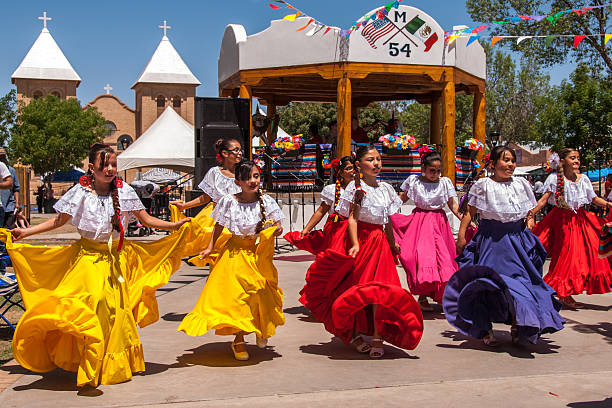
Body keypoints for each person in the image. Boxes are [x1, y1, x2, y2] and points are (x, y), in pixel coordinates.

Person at [4, 143, 191, 388]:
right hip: (86, 260)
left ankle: (105, 363)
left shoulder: (124, 192)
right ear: (92, 168)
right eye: (105, 165)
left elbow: (146, 219)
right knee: (87, 304)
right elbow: (59, 221)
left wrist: (173, 226)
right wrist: (27, 232)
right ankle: (85, 357)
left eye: (114, 164)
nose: (111, 169)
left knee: (113, 311)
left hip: (113, 261)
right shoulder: (80, 192)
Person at [302, 145, 423, 358]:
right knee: (358, 289)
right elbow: (352, 219)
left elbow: (386, 221)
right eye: (370, 159)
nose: (376, 163)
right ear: (359, 165)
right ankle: (353, 333)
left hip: (380, 244)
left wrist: (392, 242)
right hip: (364, 241)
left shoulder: (385, 188)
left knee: (382, 291)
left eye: (378, 159)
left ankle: (378, 336)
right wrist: (355, 243)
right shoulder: (357, 189)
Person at [443, 146, 564, 346]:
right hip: (491, 241)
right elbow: (470, 213)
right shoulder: (483, 185)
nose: (510, 165)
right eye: (505, 160)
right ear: (493, 164)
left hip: (517, 242)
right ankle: (485, 328)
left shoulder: (522, 184)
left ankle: (518, 323)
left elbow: (529, 211)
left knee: (521, 284)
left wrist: (529, 223)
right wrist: (461, 237)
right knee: (486, 285)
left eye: (512, 161)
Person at [178, 161, 285, 361]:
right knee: (236, 299)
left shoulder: (267, 201)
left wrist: (276, 229)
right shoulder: (228, 201)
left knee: (260, 294)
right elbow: (218, 225)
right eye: (247, 178)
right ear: (238, 182)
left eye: (255, 176)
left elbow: (277, 225)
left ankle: (261, 328)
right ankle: (239, 339)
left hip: (256, 255)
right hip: (234, 254)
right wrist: (210, 247)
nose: (252, 181)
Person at [530, 148, 612, 309]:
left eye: (578, 158)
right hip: (562, 222)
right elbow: (544, 200)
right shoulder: (554, 179)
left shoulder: (583, 179)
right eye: (572, 158)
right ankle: (557, 291)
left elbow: (594, 199)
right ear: (562, 161)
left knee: (587, 256)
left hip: (580, 221)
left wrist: (609, 204)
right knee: (566, 258)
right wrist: (530, 213)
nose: (576, 161)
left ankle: (565, 292)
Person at [391, 150, 460, 311]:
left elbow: (452, 205)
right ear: (424, 167)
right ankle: (422, 296)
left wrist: (464, 219)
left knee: (443, 259)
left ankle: (442, 295)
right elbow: (402, 199)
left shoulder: (445, 183)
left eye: (438, 171)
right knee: (420, 258)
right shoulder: (414, 181)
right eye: (432, 171)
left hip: (439, 223)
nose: (435, 174)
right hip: (420, 223)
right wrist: (386, 213)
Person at [170, 138, 242, 264]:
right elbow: (205, 197)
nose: (240, 153)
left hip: (238, 215)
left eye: (241, 150)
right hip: (217, 214)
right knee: (217, 245)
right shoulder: (215, 172)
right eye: (236, 150)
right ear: (225, 153)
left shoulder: (244, 172)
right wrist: (184, 206)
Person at [283, 156, 354, 255]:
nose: (353, 171)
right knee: (335, 257)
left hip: (356, 230)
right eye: (349, 168)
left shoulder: (364, 189)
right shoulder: (332, 190)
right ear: (340, 173)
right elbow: (320, 212)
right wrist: (306, 229)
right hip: (337, 230)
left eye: (355, 167)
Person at [0, 149, 20, 228]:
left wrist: (17, 203)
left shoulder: (11, 170)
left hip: (9, 205)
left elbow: (15, 188)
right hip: (2, 204)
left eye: (3, 156)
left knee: (8, 229)